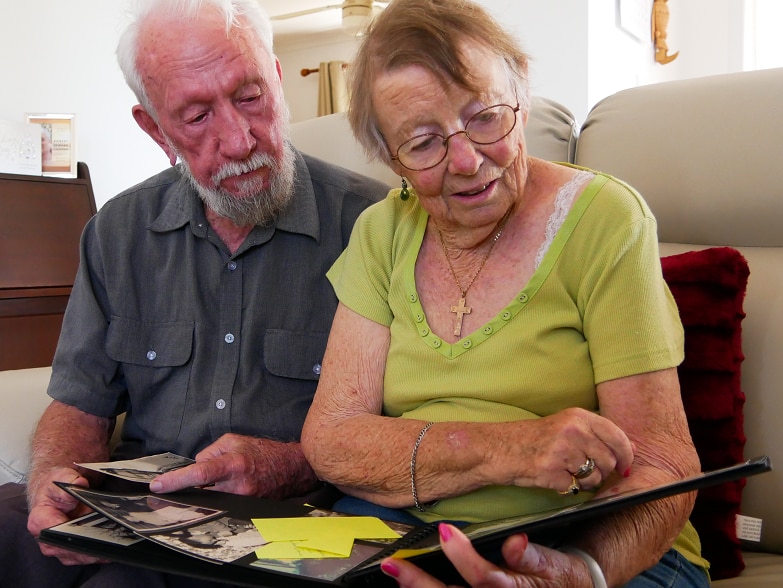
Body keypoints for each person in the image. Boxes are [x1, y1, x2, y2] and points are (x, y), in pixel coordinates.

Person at [300, 0, 709, 586]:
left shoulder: (607, 220)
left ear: (522, 92)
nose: (466, 161)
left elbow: (663, 462)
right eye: (422, 143)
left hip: (589, 543)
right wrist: (512, 449)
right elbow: (333, 438)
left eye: (486, 116)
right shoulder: (381, 232)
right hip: (402, 530)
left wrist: (580, 570)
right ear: (394, 162)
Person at [0, 0, 387, 585]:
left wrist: (295, 464)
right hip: (143, 513)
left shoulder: (375, 227)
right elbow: (79, 404)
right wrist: (56, 482)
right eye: (197, 116)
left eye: (250, 96)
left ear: (279, 81)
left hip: (292, 522)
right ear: (155, 128)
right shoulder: (116, 233)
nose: (237, 140)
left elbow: (408, 423)